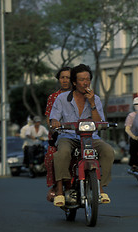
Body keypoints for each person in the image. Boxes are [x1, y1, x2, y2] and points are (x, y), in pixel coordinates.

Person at [50, 64, 114, 207]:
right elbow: (54, 118)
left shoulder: (95, 98)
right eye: (82, 80)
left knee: (108, 151)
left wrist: (91, 104)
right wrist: (55, 122)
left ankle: (101, 187)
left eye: (88, 79)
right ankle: (60, 191)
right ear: (74, 82)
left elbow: (99, 122)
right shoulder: (61, 98)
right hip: (68, 136)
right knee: (62, 153)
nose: (86, 83)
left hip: (91, 137)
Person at [44, 67, 72, 188]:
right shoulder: (53, 97)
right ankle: (57, 187)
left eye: (68, 77)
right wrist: (54, 128)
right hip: (60, 136)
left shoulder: (81, 95)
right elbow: (49, 120)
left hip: (80, 133)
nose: (65, 80)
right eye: (62, 77)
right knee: (51, 156)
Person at [124, 96, 138, 171]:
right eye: (136, 105)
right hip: (135, 136)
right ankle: (134, 164)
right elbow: (127, 129)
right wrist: (133, 136)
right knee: (134, 146)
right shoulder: (131, 115)